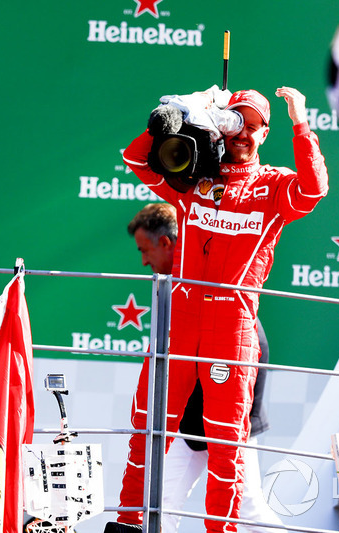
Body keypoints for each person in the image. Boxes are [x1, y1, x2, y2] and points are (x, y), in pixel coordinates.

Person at [111, 87, 328, 533]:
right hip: (183, 319)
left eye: (252, 126)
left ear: (265, 133)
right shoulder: (195, 174)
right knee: (147, 433)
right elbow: (135, 159)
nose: (242, 133)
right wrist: (182, 112)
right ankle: (130, 524)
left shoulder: (273, 186)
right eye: (235, 122)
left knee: (227, 445)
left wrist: (301, 123)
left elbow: (314, 190)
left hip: (232, 326)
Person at [126, 203, 285, 533]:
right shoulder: (177, 287)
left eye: (144, 250)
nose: (143, 261)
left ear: (166, 244)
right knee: (159, 504)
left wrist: (234, 421)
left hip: (228, 423)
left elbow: (254, 347)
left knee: (249, 510)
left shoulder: (213, 281)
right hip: (191, 425)